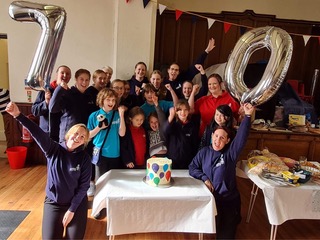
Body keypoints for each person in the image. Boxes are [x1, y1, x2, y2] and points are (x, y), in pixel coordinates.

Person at [6, 101, 91, 239]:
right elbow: (37, 132)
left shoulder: (84, 158)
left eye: (82, 137)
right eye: (76, 133)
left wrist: (72, 210)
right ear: (69, 134)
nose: (78, 138)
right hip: (54, 203)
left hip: (76, 204)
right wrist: (18, 115)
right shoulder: (53, 149)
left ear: (84, 142)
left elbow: (84, 186)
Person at [189, 103, 254, 240]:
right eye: (216, 136)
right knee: (208, 229)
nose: (218, 141)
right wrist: (204, 178)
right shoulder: (204, 152)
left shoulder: (230, 154)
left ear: (227, 140)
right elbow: (192, 167)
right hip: (211, 200)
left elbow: (241, 138)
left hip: (228, 201)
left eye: (222, 138)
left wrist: (247, 116)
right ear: (212, 136)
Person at [87, 88, 126, 181]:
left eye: (113, 100)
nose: (111, 102)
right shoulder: (94, 115)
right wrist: (99, 128)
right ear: (102, 100)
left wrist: (121, 116)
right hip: (100, 153)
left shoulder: (117, 114)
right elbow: (88, 135)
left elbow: (122, 133)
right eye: (108, 99)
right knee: (100, 181)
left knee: (113, 181)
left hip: (114, 153)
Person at [49, 69, 96, 143]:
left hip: (83, 138)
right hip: (68, 137)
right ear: (76, 79)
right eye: (81, 79)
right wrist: (59, 89)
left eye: (87, 80)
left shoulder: (90, 96)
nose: (84, 82)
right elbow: (52, 108)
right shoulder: (68, 94)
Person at [31, 65, 72, 141]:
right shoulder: (46, 90)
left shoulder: (69, 93)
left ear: (70, 78)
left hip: (63, 135)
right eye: (62, 73)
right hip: (47, 134)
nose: (65, 75)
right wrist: (46, 102)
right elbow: (34, 111)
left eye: (67, 74)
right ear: (57, 75)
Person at [160, 99, 199, 169]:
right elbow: (164, 131)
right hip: (173, 160)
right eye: (180, 110)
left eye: (185, 109)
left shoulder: (192, 126)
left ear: (189, 111)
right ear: (176, 111)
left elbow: (195, 145)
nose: (183, 112)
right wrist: (171, 116)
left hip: (187, 161)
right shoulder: (172, 124)